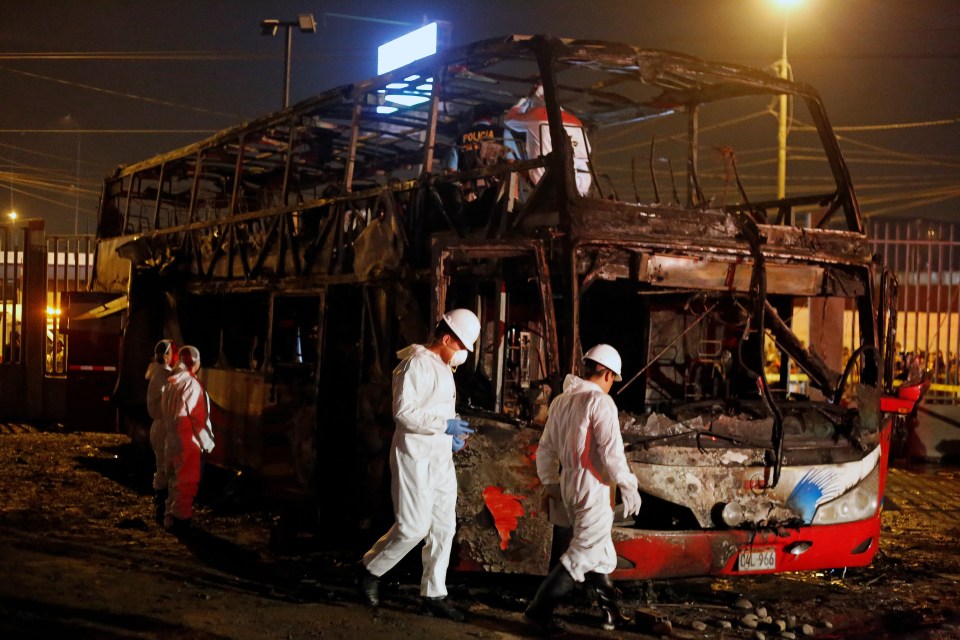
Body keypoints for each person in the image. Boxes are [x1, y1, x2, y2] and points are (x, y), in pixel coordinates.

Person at [358, 308, 481, 622]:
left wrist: (453, 433)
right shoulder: (413, 364)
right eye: (462, 347)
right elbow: (403, 413)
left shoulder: (442, 367)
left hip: (439, 456)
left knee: (444, 526)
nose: (463, 354)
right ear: (446, 338)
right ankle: (371, 569)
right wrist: (445, 426)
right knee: (413, 527)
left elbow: (436, 412)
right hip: (414, 456)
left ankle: (434, 593)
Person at [525, 344, 642, 633]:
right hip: (593, 486)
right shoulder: (601, 403)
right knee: (582, 553)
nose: (612, 385)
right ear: (607, 374)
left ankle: (611, 614)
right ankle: (537, 611)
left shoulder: (562, 401)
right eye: (613, 379)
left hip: (569, 484)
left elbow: (545, 449)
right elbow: (611, 455)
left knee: (599, 551)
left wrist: (551, 482)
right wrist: (628, 485)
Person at [161, 345, 215, 532]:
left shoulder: (171, 383)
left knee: (174, 482)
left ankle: (170, 517)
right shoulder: (191, 385)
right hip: (187, 441)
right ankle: (181, 521)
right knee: (187, 483)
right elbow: (198, 420)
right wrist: (207, 444)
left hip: (171, 440)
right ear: (194, 362)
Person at [504, 83, 593, 196]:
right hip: (583, 182)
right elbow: (586, 152)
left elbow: (509, 120)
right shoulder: (576, 121)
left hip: (546, 181)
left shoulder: (537, 114)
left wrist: (523, 102)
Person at [146, 339, 176, 525]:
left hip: (158, 425)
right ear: (166, 355)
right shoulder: (165, 374)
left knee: (161, 468)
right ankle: (163, 511)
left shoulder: (155, 372)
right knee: (167, 470)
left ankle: (160, 507)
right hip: (164, 426)